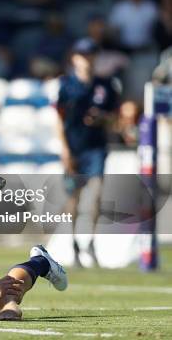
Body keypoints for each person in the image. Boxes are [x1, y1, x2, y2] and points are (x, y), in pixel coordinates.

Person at [57, 38, 119, 267]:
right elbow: (59, 119)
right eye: (83, 55)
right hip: (74, 147)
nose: (87, 59)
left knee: (96, 194)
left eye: (91, 54)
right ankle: (74, 244)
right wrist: (64, 149)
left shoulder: (105, 85)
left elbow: (114, 116)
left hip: (96, 147)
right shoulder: (67, 86)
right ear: (75, 58)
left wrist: (102, 118)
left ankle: (90, 242)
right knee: (74, 198)